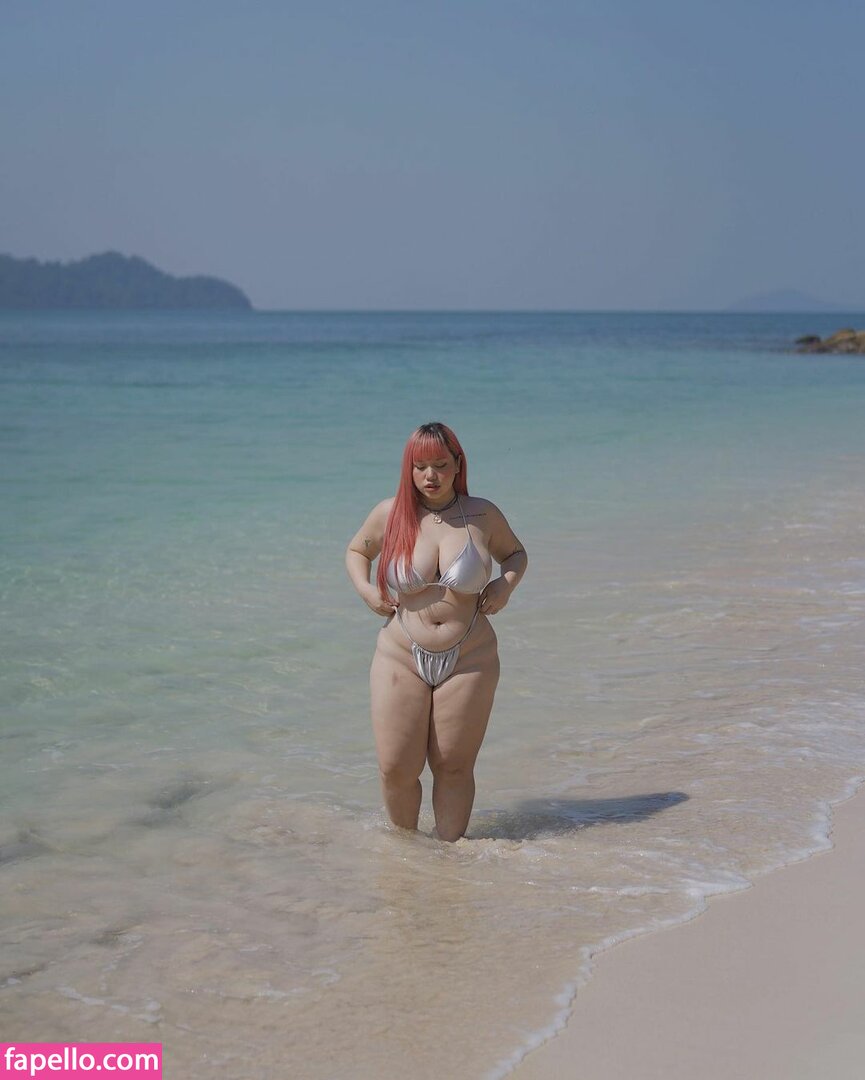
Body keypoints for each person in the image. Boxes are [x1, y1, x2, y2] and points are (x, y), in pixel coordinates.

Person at [346, 422, 528, 841]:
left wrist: (505, 585)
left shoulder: (482, 514)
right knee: (395, 768)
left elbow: (515, 554)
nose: (431, 475)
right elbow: (357, 550)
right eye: (421, 466)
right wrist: (366, 590)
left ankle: (450, 859)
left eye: (441, 465)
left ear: (458, 464)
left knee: (454, 767)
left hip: (470, 656)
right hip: (400, 654)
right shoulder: (390, 513)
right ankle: (407, 858)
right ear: (409, 469)